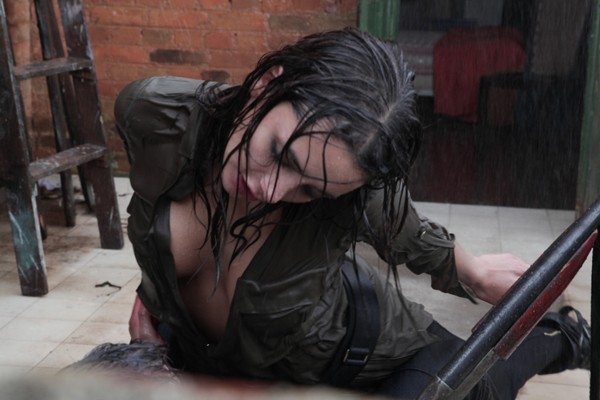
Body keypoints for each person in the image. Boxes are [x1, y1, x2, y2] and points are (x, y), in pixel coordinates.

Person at [115, 28, 591, 399]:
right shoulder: (152, 115)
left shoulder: (353, 195)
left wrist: (475, 271)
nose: (271, 190)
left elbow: (409, 231)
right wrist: (156, 311)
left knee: (474, 384)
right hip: (231, 359)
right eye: (279, 152)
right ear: (266, 84)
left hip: (370, 358)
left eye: (310, 189)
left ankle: (564, 336)